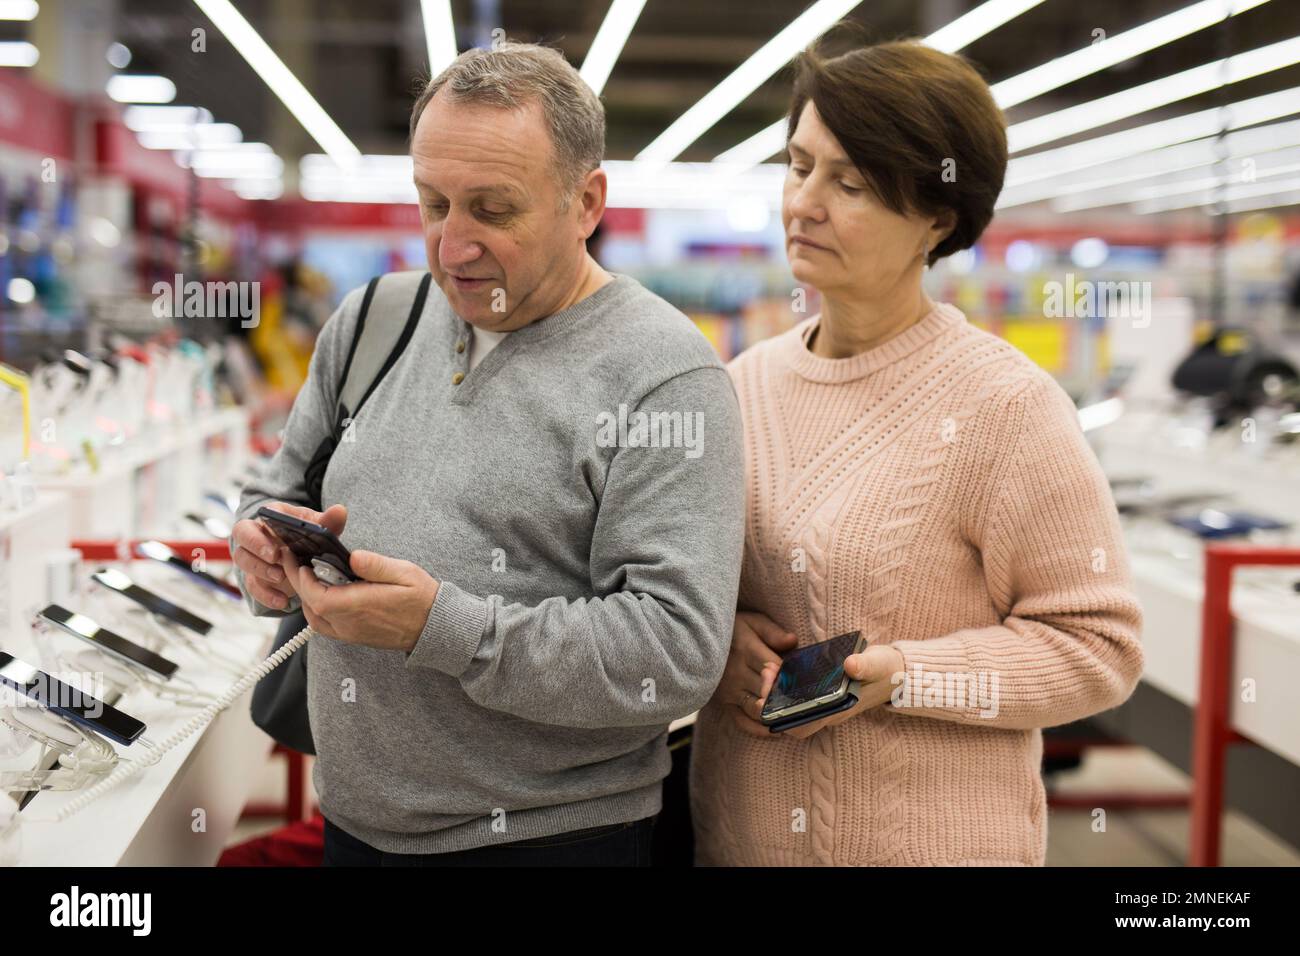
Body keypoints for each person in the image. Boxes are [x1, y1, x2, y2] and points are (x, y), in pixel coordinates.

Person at [231, 42, 745, 866]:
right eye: (433, 204)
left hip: (556, 839)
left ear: (587, 203)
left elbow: (676, 650)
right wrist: (258, 550)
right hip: (355, 825)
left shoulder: (663, 377)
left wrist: (447, 629)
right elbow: (277, 487)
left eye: (493, 210)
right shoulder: (373, 320)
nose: (451, 247)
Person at [689, 37, 1144, 866]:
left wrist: (901, 674)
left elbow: (1098, 650)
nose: (805, 203)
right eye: (799, 167)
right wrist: (722, 643)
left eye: (850, 183)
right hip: (740, 837)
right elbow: (689, 589)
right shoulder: (740, 386)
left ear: (937, 217)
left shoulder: (1005, 406)